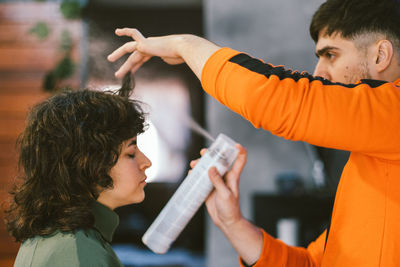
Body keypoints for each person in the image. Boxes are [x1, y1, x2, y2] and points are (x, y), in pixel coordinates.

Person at [106, 0, 400, 266]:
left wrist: (185, 45)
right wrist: (232, 223)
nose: (318, 73)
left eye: (331, 55)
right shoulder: (372, 155)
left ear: (380, 55)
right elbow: (313, 264)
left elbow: (278, 99)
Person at [5, 76, 152, 266]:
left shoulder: (67, 238)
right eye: (131, 153)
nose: (146, 162)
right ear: (89, 163)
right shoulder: (77, 252)